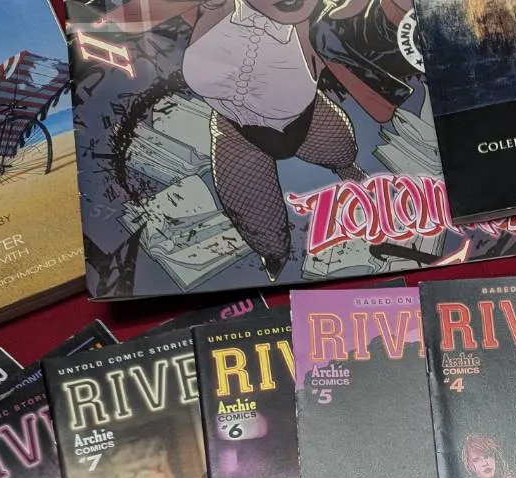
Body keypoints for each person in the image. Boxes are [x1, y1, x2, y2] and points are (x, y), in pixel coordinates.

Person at [94, 0, 414, 280]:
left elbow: (377, 55)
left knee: (342, 152)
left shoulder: (324, 25)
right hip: (237, 133)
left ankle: (347, 171)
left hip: (309, 120)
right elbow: (115, 23)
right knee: (262, 231)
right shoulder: (215, 8)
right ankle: (273, 258)